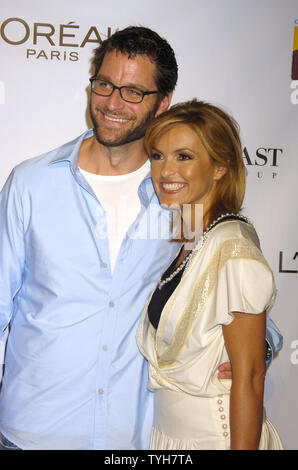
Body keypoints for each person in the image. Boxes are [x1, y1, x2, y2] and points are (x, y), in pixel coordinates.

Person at [0, 27, 282, 450]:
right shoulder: (31, 184)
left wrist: (261, 344)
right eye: (105, 84)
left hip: (136, 439)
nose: (113, 103)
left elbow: (220, 288)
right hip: (33, 433)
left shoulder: (179, 199)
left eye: (133, 92)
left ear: (162, 102)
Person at [136, 99, 284, 450]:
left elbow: (248, 378)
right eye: (158, 156)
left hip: (217, 438)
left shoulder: (232, 246)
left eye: (184, 157)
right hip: (168, 437)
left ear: (220, 167)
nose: (165, 170)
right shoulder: (191, 239)